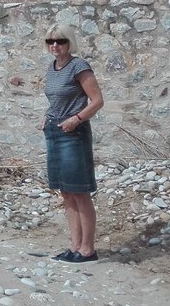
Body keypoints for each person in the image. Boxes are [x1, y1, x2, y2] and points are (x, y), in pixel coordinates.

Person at [40, 23, 104, 263]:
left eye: (60, 41)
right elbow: (57, 100)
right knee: (65, 192)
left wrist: (76, 119)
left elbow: (97, 101)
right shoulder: (52, 67)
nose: (55, 45)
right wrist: (47, 115)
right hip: (54, 132)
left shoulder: (79, 67)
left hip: (73, 134)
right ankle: (74, 245)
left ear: (70, 42)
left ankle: (87, 249)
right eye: (50, 41)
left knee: (80, 192)